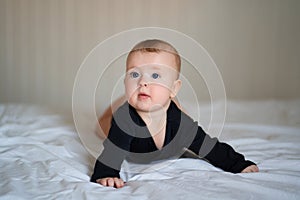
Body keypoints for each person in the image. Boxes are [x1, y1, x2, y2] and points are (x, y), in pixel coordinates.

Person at [91, 39, 259, 188]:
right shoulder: (124, 119)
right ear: (125, 81)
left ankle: (162, 101)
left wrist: (237, 163)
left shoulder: (179, 122)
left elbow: (207, 145)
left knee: (175, 114)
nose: (143, 82)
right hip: (121, 125)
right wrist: (106, 173)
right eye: (134, 74)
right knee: (103, 126)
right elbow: (112, 152)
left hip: (167, 112)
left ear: (174, 88)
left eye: (155, 75)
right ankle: (122, 100)